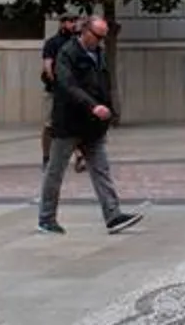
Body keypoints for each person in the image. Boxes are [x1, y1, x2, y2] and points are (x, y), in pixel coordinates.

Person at [38, 16, 144, 235]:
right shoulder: (67, 53)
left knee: (101, 169)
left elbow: (103, 84)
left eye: (103, 37)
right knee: (55, 171)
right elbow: (67, 85)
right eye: (97, 36)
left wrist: (107, 109)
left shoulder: (99, 53)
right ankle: (46, 218)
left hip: (92, 126)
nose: (100, 41)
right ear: (84, 31)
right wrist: (92, 106)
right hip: (68, 123)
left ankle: (113, 215)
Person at [40, 15, 85, 173]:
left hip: (73, 91)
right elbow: (48, 65)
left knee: (75, 123)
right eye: (70, 22)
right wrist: (57, 83)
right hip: (55, 91)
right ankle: (46, 157)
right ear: (62, 24)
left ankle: (79, 156)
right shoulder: (53, 43)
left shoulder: (78, 43)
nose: (74, 25)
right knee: (50, 124)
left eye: (75, 22)